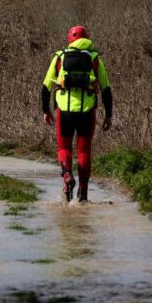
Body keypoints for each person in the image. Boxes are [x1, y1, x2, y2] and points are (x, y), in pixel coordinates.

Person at [42, 25, 113, 203]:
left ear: (70, 39)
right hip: (87, 112)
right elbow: (106, 90)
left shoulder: (59, 57)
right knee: (84, 150)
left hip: (64, 112)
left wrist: (46, 110)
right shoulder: (95, 58)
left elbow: (45, 87)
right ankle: (83, 194)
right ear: (87, 39)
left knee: (64, 148)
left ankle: (67, 177)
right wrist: (108, 115)